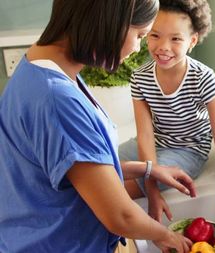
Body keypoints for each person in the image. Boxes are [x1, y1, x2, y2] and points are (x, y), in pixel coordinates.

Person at [0, 0, 195, 252]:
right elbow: (120, 216)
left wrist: (147, 169)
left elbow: (74, 170)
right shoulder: (58, 99)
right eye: (140, 35)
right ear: (111, 20)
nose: (137, 48)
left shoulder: (39, 67)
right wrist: (167, 236)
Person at [118, 0, 215, 235]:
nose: (163, 47)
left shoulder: (204, 78)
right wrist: (152, 190)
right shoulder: (140, 77)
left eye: (176, 39)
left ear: (192, 41)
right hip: (152, 143)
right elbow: (145, 134)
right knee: (102, 166)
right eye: (155, 35)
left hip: (188, 150)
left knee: (118, 189)